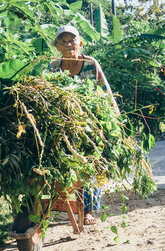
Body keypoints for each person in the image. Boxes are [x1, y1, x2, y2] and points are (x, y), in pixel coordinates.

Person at [48, 25, 120, 225]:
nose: (68, 44)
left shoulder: (90, 63)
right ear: (57, 46)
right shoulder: (53, 67)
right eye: (63, 41)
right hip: (62, 120)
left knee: (93, 161)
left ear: (80, 43)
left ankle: (88, 210)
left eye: (72, 40)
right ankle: (55, 202)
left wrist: (115, 118)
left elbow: (105, 89)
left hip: (90, 121)